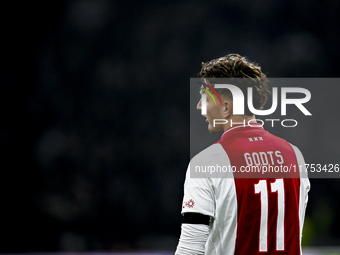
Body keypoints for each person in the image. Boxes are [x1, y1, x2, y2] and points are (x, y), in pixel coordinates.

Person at [175, 54, 310, 254]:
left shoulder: (206, 162)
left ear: (226, 108)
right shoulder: (295, 155)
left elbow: (190, 249)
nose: (199, 107)